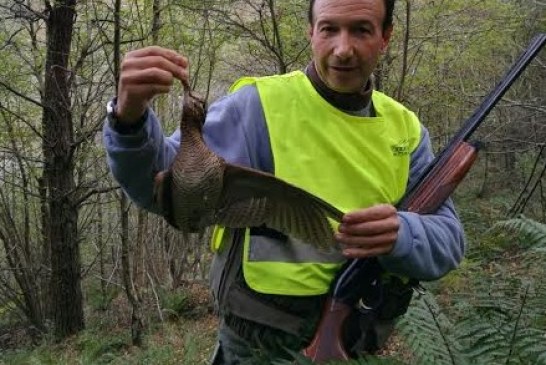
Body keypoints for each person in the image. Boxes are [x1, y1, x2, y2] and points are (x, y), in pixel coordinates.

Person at [103, 0, 466, 363]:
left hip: (354, 346)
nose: (343, 49)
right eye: (329, 29)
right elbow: (168, 185)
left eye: (361, 30)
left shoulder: (406, 130)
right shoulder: (257, 108)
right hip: (256, 350)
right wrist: (129, 118)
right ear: (310, 32)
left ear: (385, 36)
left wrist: (402, 234)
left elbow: (448, 240)